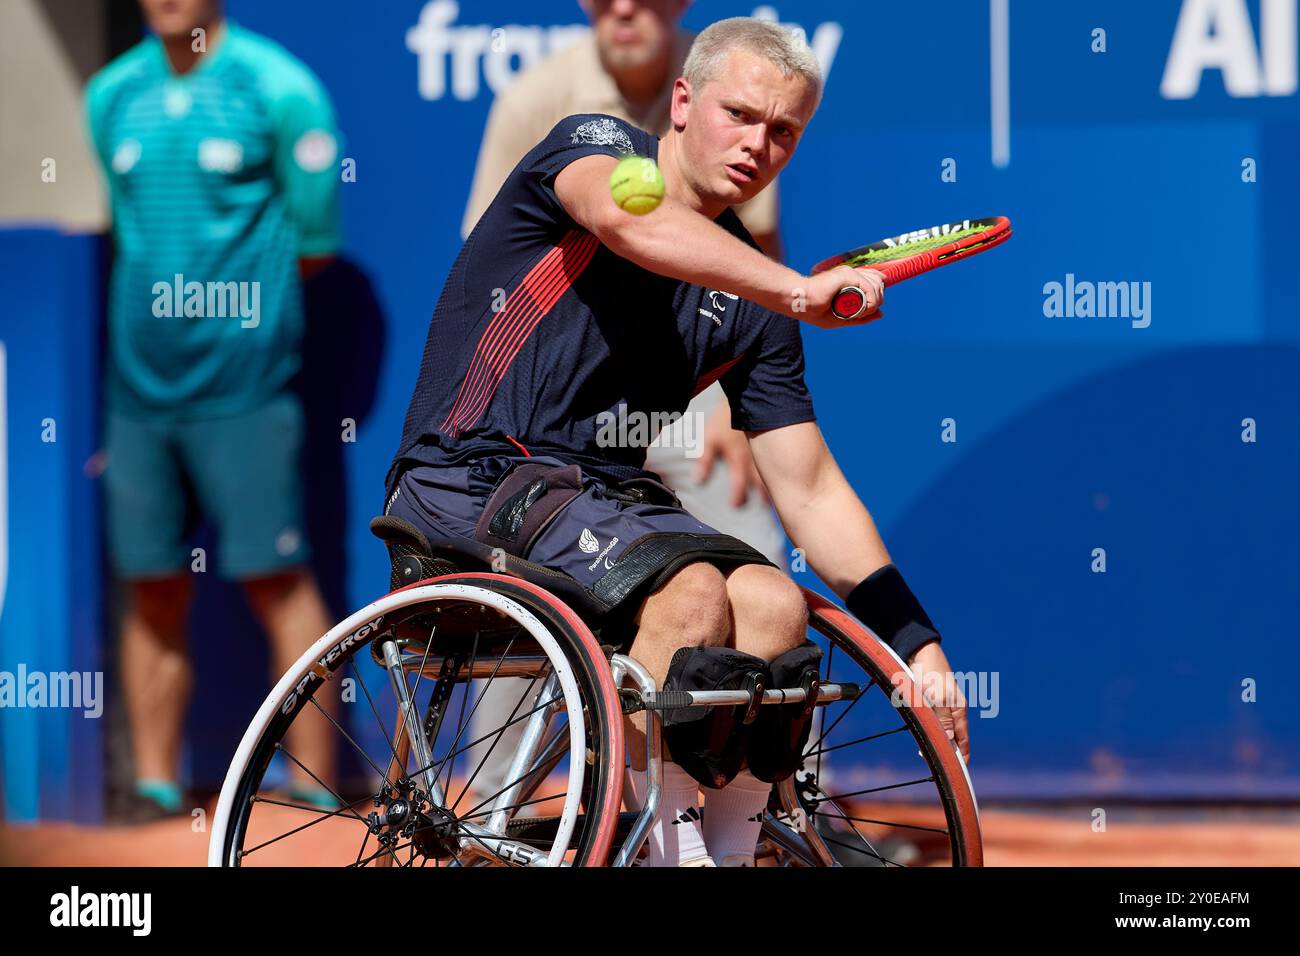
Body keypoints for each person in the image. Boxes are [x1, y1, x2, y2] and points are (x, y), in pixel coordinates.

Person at [385, 17, 970, 867]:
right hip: (466, 477)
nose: (757, 144)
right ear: (684, 102)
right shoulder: (595, 150)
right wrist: (799, 292)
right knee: (691, 593)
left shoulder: (751, 303)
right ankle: (670, 850)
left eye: (783, 132)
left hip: (598, 505)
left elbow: (809, 492)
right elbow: (636, 228)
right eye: (739, 114)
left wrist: (914, 639)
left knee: (773, 602)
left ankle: (722, 849)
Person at [459, 0, 788, 805]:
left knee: (766, 584)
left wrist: (733, 420)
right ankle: (503, 799)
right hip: (547, 405)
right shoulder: (543, 100)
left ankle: (775, 798)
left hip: (681, 405)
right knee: (536, 595)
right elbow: (495, 263)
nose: (625, 9)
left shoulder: (738, 93)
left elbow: (748, 265)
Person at [86, 0, 342, 819]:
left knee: (277, 580)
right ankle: (156, 787)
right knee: (152, 585)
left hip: (245, 392)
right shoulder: (109, 94)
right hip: (136, 396)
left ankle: (311, 786)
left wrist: (234, 322)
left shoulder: (280, 88)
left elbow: (312, 245)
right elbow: (130, 233)